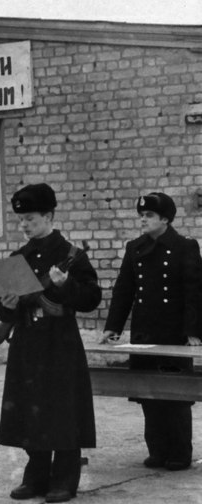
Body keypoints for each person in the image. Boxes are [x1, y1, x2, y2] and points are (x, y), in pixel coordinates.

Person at [0, 183, 101, 503]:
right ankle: (36, 476)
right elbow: (2, 308)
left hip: (60, 342)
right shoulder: (19, 258)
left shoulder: (72, 256)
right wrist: (7, 306)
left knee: (63, 410)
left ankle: (65, 479)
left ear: (49, 216)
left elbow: (91, 299)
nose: (24, 225)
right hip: (27, 342)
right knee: (31, 409)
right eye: (21, 220)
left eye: (31, 219)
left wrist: (66, 286)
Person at [100, 192, 201, 471]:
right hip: (144, 332)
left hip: (174, 334)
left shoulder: (185, 246)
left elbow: (194, 292)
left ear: (165, 219)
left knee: (175, 394)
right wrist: (112, 327)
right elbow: (124, 290)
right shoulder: (135, 248)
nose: (143, 220)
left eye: (149, 216)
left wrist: (193, 331)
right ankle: (157, 450)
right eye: (141, 215)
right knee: (148, 391)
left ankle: (179, 452)